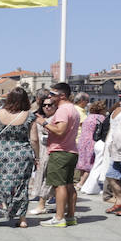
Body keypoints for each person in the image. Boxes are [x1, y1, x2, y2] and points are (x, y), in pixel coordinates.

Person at [0, 88, 39, 228]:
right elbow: (34, 140)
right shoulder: (30, 116)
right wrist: (37, 157)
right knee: (20, 186)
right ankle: (22, 219)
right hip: (21, 155)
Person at [40, 82, 82, 227]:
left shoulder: (63, 110)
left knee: (60, 185)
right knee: (69, 184)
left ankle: (59, 217)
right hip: (70, 150)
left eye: (52, 94)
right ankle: (70, 216)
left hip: (60, 151)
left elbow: (60, 130)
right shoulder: (73, 109)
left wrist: (43, 123)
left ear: (62, 95)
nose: (49, 97)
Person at [76, 100, 107, 189]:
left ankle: (81, 182)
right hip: (92, 142)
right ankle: (81, 183)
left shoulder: (88, 117)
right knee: (91, 164)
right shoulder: (101, 118)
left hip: (82, 141)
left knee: (83, 164)